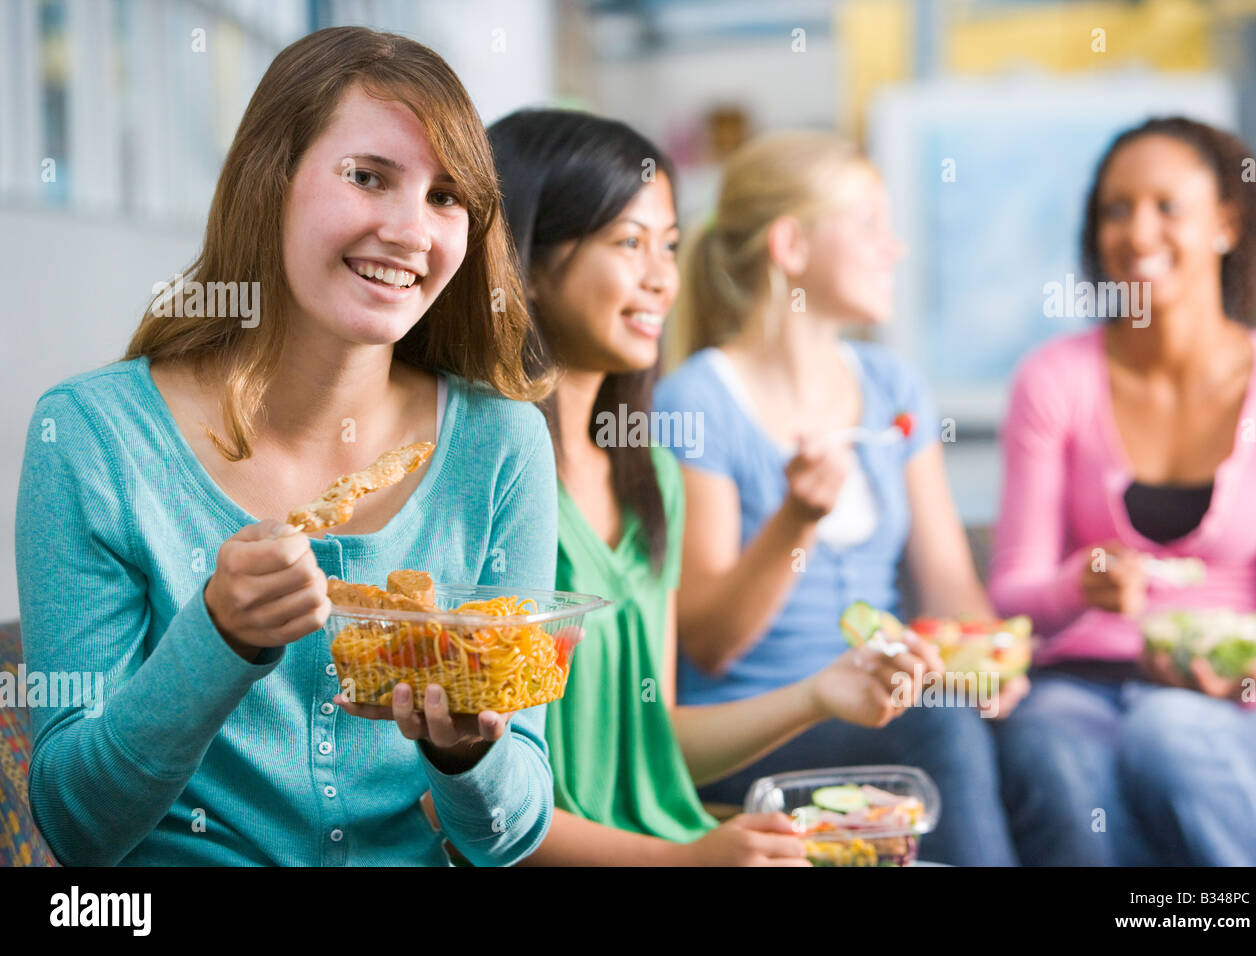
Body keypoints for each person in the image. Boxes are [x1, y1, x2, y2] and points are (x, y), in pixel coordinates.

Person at [15, 27, 558, 867]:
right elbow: (78, 827)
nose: (413, 231)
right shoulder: (91, 436)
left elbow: (511, 838)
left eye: (447, 197)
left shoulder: (502, 443)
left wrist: (467, 752)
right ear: (270, 181)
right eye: (368, 177)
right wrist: (218, 638)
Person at [486, 109, 941, 866]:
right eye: (628, 244)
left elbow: (649, 745)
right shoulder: (482, 466)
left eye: (667, 245)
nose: (662, 278)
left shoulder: (645, 472)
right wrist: (685, 863)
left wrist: (821, 694)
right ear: (527, 262)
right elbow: (461, 797)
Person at [652, 131, 1024, 866]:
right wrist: (799, 519)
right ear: (791, 245)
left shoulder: (893, 389)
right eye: (869, 224)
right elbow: (713, 643)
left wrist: (994, 664)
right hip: (762, 731)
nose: (896, 248)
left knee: (1042, 732)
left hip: (886, 710)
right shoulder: (696, 401)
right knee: (938, 731)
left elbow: (951, 588)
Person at [990, 116, 1256, 866]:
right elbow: (1010, 594)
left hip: (1225, 702)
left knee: (1170, 731)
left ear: (1227, 222)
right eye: (1116, 209)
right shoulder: (1053, 379)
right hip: (1076, 686)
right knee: (1057, 751)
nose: (1137, 231)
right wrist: (1078, 584)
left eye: (1168, 206)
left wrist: (1253, 680)